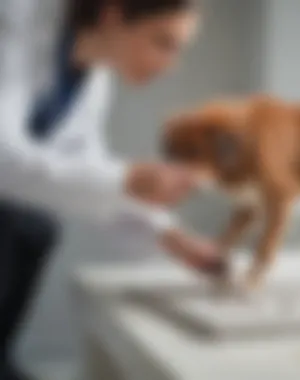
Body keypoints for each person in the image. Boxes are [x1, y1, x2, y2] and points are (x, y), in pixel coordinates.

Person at [0, 1, 223, 379]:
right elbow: (5, 161)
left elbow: (83, 168)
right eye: (163, 43)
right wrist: (127, 180)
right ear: (113, 13)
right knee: (22, 224)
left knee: (35, 227)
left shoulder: (91, 77)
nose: (169, 65)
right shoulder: (12, 24)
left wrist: (168, 234)